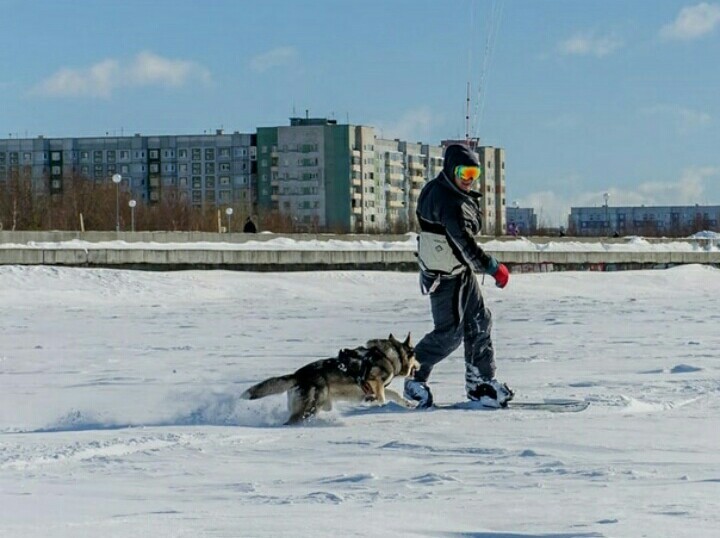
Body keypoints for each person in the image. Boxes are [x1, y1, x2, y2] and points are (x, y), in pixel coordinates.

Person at [404, 144, 513, 409]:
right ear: (451, 170)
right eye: (464, 173)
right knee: (450, 333)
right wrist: (492, 267)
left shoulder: (448, 192)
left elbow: (465, 231)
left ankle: (480, 382)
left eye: (474, 174)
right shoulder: (446, 199)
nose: (469, 180)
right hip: (444, 276)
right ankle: (412, 377)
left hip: (458, 271)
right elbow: (463, 241)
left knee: (479, 321)